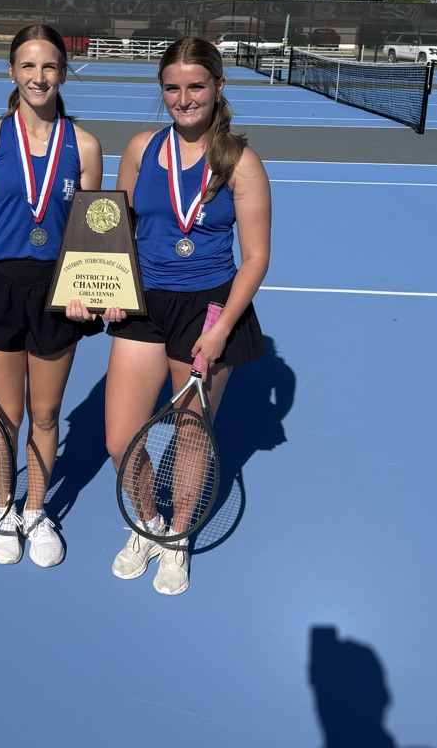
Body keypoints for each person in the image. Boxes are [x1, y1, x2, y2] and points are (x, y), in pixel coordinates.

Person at [101, 36, 270, 595]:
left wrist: (220, 330)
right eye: (172, 87)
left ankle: (177, 537)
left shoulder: (241, 162)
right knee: (122, 441)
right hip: (144, 305)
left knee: (192, 435)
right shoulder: (140, 148)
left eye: (196, 85)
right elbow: (113, 229)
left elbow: (256, 257)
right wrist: (97, 284)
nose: (184, 97)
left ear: (218, 87)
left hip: (209, 308)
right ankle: (147, 521)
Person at [0, 24, 103, 569]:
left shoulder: (84, 145)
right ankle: (1, 508)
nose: (39, 77)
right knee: (2, 414)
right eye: (28, 66)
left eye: (50, 67)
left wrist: (89, 290)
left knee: (45, 412)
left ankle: (35, 511)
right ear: (11, 71)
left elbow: (93, 236)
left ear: (64, 72)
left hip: (57, 292)